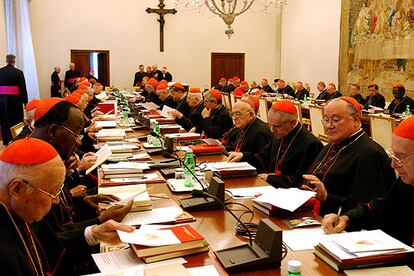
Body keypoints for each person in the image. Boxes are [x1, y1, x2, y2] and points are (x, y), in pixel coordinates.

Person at [0, 138, 135, 275]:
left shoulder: (18, 208)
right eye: (52, 193)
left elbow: (49, 246)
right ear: (17, 189)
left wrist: (94, 233)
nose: (57, 201)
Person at [321, 116, 414, 246]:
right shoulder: (405, 183)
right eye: (393, 155)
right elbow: (375, 210)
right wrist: (345, 219)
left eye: (401, 158)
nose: (393, 165)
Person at [301, 97, 395, 216]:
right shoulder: (332, 145)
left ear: (355, 120)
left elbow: (368, 209)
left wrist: (327, 198)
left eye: (335, 120)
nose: (328, 126)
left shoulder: (370, 154)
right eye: (325, 120)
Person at [231, 100, 323, 188]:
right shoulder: (279, 134)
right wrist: (243, 156)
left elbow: (300, 181)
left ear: (293, 123)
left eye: (277, 126)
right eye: (270, 125)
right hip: (272, 188)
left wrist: (270, 179)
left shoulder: (311, 144)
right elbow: (263, 158)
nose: (272, 130)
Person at [0, 54, 28, 145]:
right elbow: (23, 88)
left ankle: (6, 141)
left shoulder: (0, 71)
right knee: (16, 121)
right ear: (14, 61)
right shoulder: (19, 72)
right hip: (15, 101)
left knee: (4, 120)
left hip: (2, 100)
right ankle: (16, 140)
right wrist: (25, 102)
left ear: (6, 61)